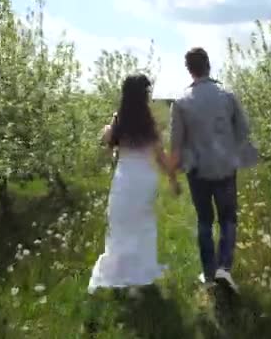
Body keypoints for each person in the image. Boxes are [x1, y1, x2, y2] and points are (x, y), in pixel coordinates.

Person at [169, 47, 256, 292]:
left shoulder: (181, 102)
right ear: (209, 65)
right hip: (226, 168)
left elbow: (175, 144)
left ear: (189, 69)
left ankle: (208, 276)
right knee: (228, 218)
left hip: (197, 171)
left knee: (204, 220)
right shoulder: (228, 95)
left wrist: (172, 175)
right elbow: (243, 130)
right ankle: (224, 268)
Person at [88, 73, 180, 294]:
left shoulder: (120, 119)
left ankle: (123, 274)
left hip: (125, 178)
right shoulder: (149, 124)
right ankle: (137, 278)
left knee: (121, 225)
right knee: (142, 225)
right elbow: (160, 157)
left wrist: (108, 127)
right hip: (144, 180)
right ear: (143, 95)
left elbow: (106, 142)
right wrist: (173, 179)